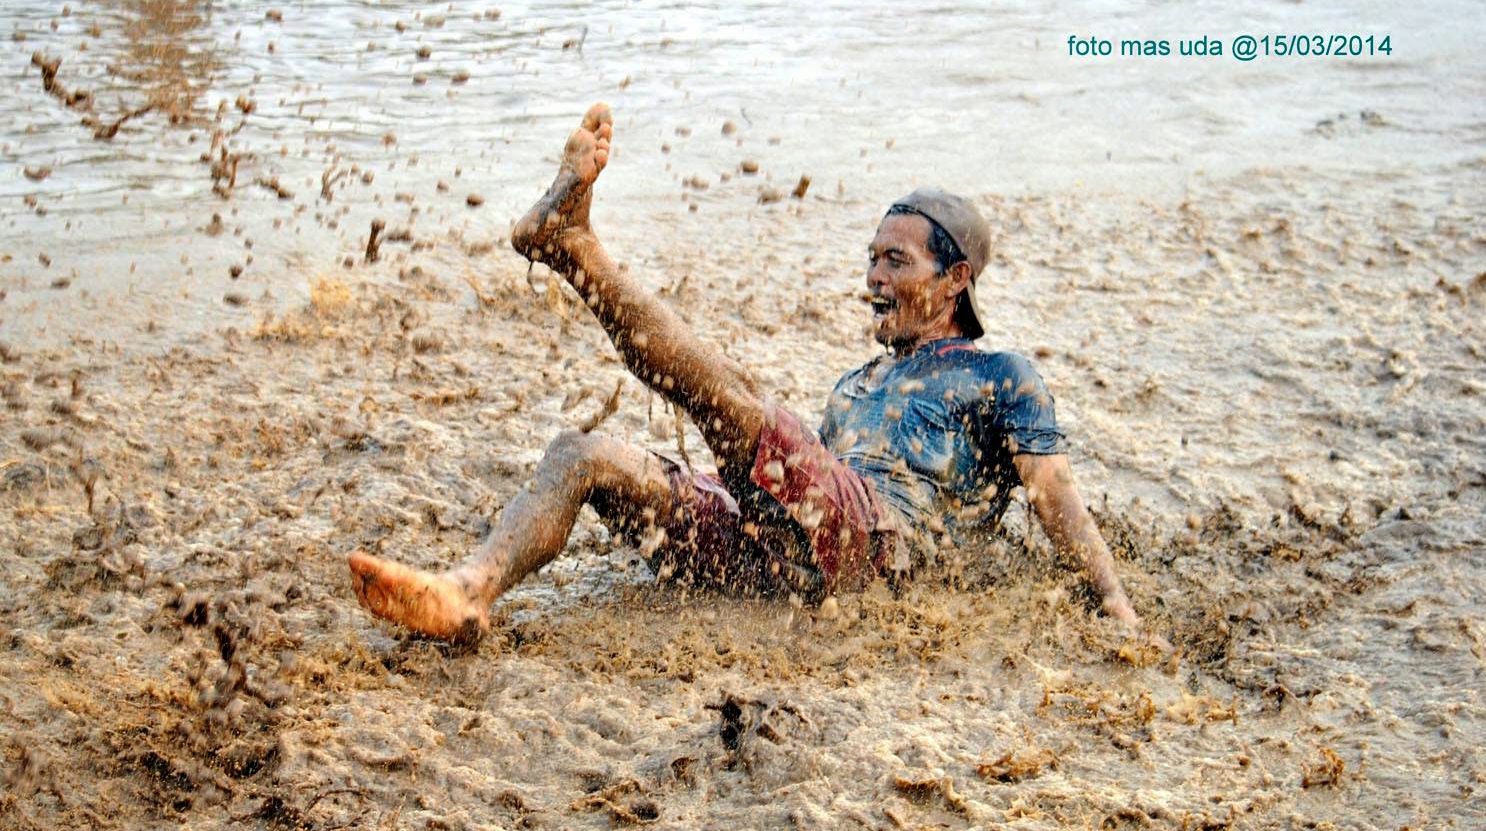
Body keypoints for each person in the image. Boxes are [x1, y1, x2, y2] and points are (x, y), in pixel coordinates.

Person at [348, 103, 1153, 645]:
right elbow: (795, 492)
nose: (874, 276)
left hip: (884, 546)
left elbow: (1054, 495)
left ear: (955, 280)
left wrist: (1113, 602)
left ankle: (572, 247)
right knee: (581, 453)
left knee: (731, 394)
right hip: (790, 555)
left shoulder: (1001, 372)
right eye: (871, 257)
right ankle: (468, 591)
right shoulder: (855, 385)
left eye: (896, 261)